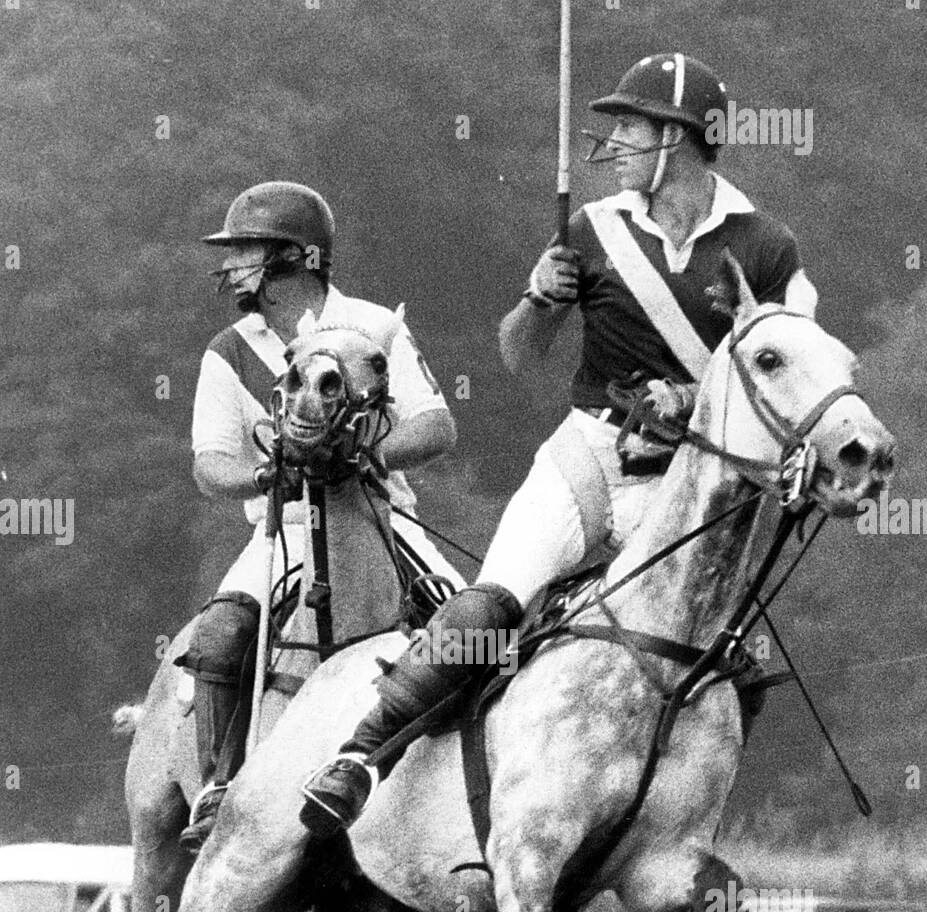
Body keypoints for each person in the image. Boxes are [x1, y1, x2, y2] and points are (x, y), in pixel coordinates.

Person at [299, 53, 818, 838]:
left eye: (630, 128)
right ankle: (360, 758)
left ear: (675, 138)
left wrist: (698, 392)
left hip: (687, 486)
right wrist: (541, 298)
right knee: (494, 601)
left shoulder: (766, 245)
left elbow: (802, 369)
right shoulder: (591, 229)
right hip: (588, 455)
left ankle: (669, 838)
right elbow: (518, 354)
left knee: (727, 665)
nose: (613, 142)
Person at [179, 181, 459, 850]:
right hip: (284, 531)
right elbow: (209, 464)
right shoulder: (228, 350)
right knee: (219, 635)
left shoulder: (373, 327)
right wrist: (262, 473)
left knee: (469, 631)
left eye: (246, 252)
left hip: (380, 520)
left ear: (297, 258)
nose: (230, 268)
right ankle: (220, 788)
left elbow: (435, 425)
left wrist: (366, 458)